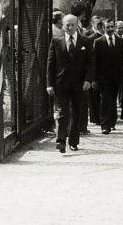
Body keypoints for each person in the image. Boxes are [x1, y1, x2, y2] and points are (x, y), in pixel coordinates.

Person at [46, 14, 94, 152]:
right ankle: (61, 140)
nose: (70, 27)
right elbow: (50, 63)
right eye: (67, 24)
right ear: (62, 25)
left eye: (73, 24)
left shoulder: (86, 41)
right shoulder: (56, 41)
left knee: (76, 113)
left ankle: (73, 141)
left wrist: (88, 80)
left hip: (79, 84)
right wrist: (49, 83)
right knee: (62, 112)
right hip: (61, 83)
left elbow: (91, 63)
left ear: (77, 25)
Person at [93, 20, 123, 134]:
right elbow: (95, 62)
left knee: (113, 100)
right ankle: (105, 125)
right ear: (103, 28)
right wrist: (94, 78)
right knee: (105, 100)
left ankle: (112, 122)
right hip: (103, 78)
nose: (110, 29)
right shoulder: (98, 42)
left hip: (117, 78)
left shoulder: (121, 41)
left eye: (112, 27)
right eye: (107, 27)